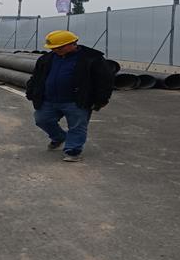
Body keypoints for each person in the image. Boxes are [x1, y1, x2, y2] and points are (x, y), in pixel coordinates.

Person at [25, 30, 114, 162]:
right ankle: (59, 137)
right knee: (42, 119)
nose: (55, 50)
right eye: (53, 48)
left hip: (77, 101)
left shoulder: (92, 59)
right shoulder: (47, 59)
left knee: (77, 126)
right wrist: (31, 91)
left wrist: (102, 99)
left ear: (72, 44)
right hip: (49, 99)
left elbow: (104, 80)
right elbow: (37, 77)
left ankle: (73, 151)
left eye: (59, 47)